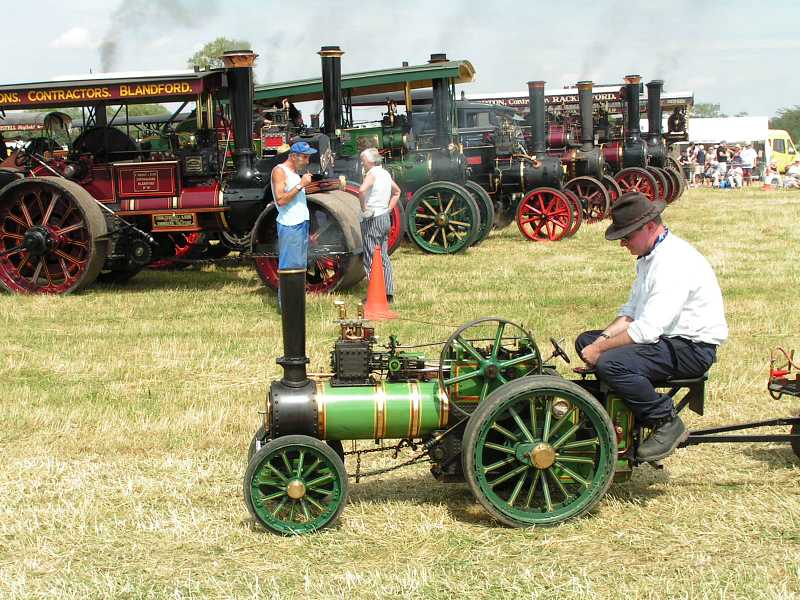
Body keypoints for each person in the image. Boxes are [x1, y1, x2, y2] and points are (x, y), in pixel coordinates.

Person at [575, 193, 728, 462]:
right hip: (668, 339)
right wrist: (599, 341)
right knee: (585, 341)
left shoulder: (672, 263)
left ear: (649, 227)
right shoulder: (651, 256)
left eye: (626, 236)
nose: (622, 243)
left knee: (612, 363)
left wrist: (600, 352)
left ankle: (666, 421)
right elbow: (631, 313)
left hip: (692, 349)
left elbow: (647, 330)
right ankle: (610, 412)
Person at [271, 141, 317, 303]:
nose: (307, 161)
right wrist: (301, 184)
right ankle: (286, 306)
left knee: (299, 266)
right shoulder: (279, 171)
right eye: (305, 157)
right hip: (289, 225)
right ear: (293, 156)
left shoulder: (294, 173)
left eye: (308, 157)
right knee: (289, 267)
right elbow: (281, 200)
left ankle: (296, 303)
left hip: (300, 224)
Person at [358, 147, 400, 302]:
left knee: (370, 257)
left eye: (363, 161)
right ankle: (388, 293)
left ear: (369, 161)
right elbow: (397, 192)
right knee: (383, 256)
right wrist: (388, 208)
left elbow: (361, 191)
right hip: (384, 218)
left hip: (373, 218)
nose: (362, 164)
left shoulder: (372, 173)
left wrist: (364, 209)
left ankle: (375, 295)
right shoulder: (385, 173)